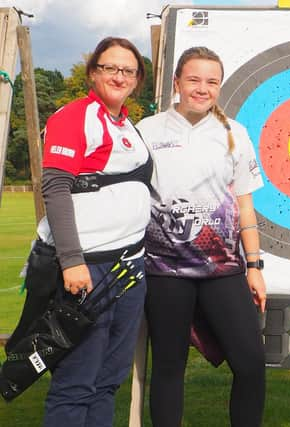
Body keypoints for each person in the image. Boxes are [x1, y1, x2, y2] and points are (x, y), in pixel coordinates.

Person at [136, 46, 267, 427]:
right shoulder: (147, 130)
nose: (202, 88)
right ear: (176, 82)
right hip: (164, 271)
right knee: (168, 368)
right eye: (193, 79)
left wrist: (255, 266)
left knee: (251, 365)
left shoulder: (235, 134)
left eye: (211, 81)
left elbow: (244, 206)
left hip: (222, 268)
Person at [37, 37, 151, 426]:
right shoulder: (74, 116)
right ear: (93, 73)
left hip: (129, 269)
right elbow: (54, 189)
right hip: (88, 271)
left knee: (108, 381)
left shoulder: (127, 124)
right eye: (110, 68)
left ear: (137, 79)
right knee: (77, 382)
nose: (119, 76)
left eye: (128, 70)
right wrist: (71, 261)